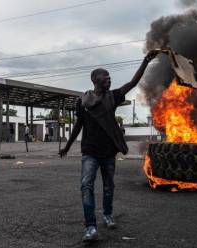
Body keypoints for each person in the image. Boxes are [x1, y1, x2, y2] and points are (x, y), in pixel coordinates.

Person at [59, 50, 159, 242]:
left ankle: (107, 214)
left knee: (108, 186)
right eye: (106, 77)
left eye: (110, 78)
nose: (109, 80)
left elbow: (132, 83)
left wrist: (145, 62)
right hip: (90, 151)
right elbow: (78, 125)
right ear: (95, 80)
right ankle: (91, 228)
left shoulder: (112, 97)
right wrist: (67, 146)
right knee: (86, 186)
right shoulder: (83, 102)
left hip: (108, 152)